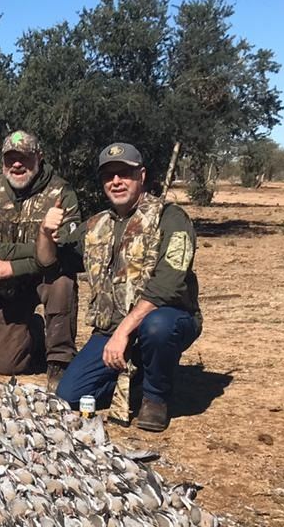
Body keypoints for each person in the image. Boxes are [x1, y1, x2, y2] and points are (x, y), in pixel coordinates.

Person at [38, 142, 202, 432]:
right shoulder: (96, 225)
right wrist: (45, 233)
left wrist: (123, 332)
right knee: (70, 396)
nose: (116, 181)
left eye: (124, 173)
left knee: (157, 328)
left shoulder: (172, 218)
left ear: (141, 175)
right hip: (111, 328)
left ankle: (155, 398)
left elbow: (168, 286)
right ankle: (136, 374)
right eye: (108, 175)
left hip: (164, 318)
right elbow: (51, 262)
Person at [0, 130, 82, 391]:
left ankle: (60, 360)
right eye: (10, 158)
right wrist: (42, 248)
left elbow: (66, 251)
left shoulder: (61, 192)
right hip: (8, 287)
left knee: (62, 281)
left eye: (25, 157)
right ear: (2, 162)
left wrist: (14, 265)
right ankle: (35, 332)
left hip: (47, 277)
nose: (17, 164)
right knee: (6, 365)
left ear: (39, 157)